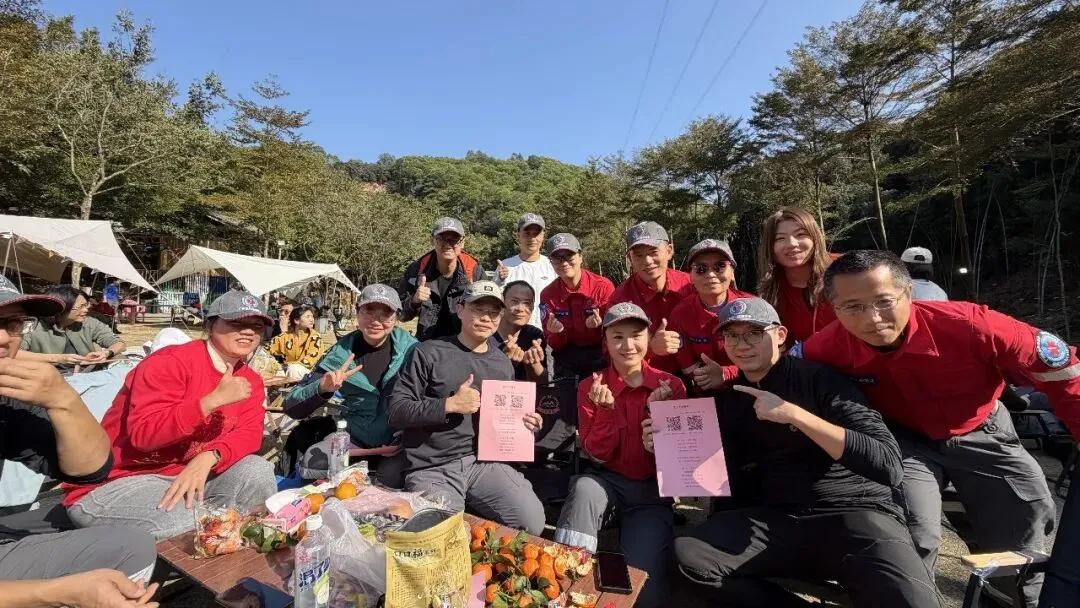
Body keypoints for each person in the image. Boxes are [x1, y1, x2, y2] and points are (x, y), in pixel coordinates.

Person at [793, 250, 1079, 606]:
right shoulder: (826, 347)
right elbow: (783, 377)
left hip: (982, 430)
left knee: (1027, 512)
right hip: (904, 441)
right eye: (853, 307)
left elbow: (1063, 370)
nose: (872, 318)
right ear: (834, 309)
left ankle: (1012, 599)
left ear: (908, 293)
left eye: (884, 301)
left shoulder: (973, 325)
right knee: (910, 531)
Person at [671, 297, 941, 607]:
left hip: (856, 515)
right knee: (687, 555)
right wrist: (664, 441)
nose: (741, 345)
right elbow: (721, 477)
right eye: (731, 336)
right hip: (778, 520)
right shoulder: (731, 400)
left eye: (753, 333)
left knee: (913, 601)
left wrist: (797, 416)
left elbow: (888, 465)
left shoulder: (821, 380)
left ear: (780, 335)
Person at [64, 289, 278, 540]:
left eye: (257, 326)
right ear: (210, 325)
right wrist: (210, 402)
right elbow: (144, 435)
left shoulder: (250, 380)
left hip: (189, 473)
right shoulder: (170, 362)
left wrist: (211, 455)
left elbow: (250, 432)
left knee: (258, 471)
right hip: (121, 480)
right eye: (237, 322)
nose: (248, 331)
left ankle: (248, 550)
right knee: (193, 522)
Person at [0, 275, 161, 607]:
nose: (4, 338)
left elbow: (90, 471)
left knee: (131, 543)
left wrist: (63, 400)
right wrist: (59, 592)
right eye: (235, 324)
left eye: (12, 324)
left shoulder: (7, 402)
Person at [386, 281, 546, 535]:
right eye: (477, 309)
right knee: (445, 535)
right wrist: (448, 405)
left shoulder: (502, 363)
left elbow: (503, 416)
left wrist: (525, 423)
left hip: (483, 464)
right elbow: (397, 410)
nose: (486, 318)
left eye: (493, 312)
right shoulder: (428, 352)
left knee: (532, 521)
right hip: (432, 466)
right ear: (460, 310)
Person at [554, 302, 686, 608]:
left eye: (636, 335)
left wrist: (660, 425)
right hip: (607, 485)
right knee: (584, 488)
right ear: (605, 342)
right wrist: (607, 412)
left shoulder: (672, 386)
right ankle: (564, 580)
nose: (628, 345)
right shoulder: (590, 387)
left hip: (651, 495)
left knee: (647, 593)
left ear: (649, 337)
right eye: (618, 337)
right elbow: (595, 454)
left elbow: (680, 463)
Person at [284, 284, 418, 488]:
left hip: (400, 441)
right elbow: (291, 406)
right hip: (355, 439)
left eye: (385, 313)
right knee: (316, 461)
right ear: (357, 313)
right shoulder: (338, 354)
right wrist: (322, 387)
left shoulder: (415, 352)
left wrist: (408, 435)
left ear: (396, 318)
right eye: (368, 311)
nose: (376, 320)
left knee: (390, 479)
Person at [669, 239, 754, 392]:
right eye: (701, 269)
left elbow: (765, 359)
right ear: (691, 276)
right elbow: (687, 364)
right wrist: (707, 378)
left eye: (719, 267)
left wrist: (726, 374)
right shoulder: (680, 314)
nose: (710, 274)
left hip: (751, 386)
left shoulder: (753, 308)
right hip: (705, 390)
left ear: (732, 272)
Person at [609, 221, 694, 374]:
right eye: (638, 255)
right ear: (629, 259)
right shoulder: (620, 299)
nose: (647, 261)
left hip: (698, 372)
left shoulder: (691, 285)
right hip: (647, 376)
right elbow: (610, 350)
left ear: (669, 251)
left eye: (653, 252)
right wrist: (650, 348)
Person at [539, 233, 615, 381]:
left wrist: (600, 327)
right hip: (566, 355)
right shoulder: (548, 294)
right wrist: (557, 333)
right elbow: (554, 343)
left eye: (569, 255)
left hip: (600, 353)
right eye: (557, 258)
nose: (564, 262)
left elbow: (616, 331)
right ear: (551, 262)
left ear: (580, 257)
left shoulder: (603, 287)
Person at [757, 207, 838, 345]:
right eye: (780, 238)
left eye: (800, 234)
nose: (792, 244)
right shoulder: (771, 293)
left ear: (815, 237)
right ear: (770, 247)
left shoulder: (845, 270)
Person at [399, 217, 486, 342]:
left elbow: (487, 313)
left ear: (462, 243)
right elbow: (401, 316)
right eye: (442, 239)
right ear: (432, 241)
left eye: (454, 240)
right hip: (427, 343)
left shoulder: (474, 271)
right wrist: (414, 301)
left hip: (464, 343)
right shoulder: (417, 270)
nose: (448, 244)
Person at [19, 285, 126, 370]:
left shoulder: (88, 323)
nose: (85, 310)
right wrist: (59, 359)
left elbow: (119, 343)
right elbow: (15, 354)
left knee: (120, 359)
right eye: (80, 307)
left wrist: (106, 353)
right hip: (47, 374)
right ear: (61, 308)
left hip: (86, 372)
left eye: (86, 305)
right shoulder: (34, 326)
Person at [495, 213, 555, 328]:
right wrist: (499, 282)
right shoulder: (505, 266)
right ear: (518, 235)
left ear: (543, 236)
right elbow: (495, 302)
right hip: (512, 332)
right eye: (527, 234)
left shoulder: (553, 266)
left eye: (536, 234)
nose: (532, 239)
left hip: (545, 332)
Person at [490, 281, 546, 381]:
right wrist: (503, 361)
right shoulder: (486, 334)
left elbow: (545, 383)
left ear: (533, 307)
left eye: (527, 303)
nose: (520, 309)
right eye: (514, 301)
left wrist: (533, 364)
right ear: (502, 303)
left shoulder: (535, 336)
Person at [268, 305, 326, 379]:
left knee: (293, 369)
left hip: (309, 373)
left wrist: (286, 365)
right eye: (308, 317)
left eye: (312, 317)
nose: (312, 320)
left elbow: (309, 361)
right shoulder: (285, 336)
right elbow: (267, 349)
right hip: (289, 369)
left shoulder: (315, 337)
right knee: (275, 371)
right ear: (296, 320)